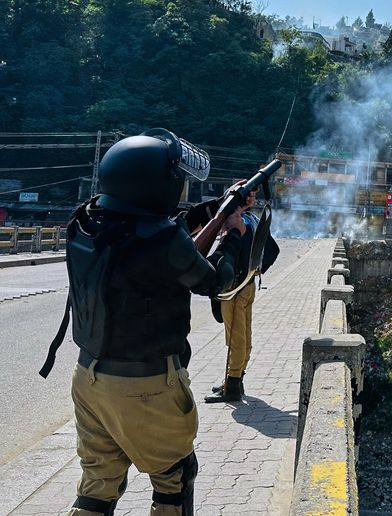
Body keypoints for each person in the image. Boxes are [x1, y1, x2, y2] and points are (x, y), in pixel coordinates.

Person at [40, 128, 246, 515]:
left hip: (89, 378)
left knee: (98, 486)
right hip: (146, 385)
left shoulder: (85, 221)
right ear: (158, 186)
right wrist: (232, 234)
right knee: (175, 478)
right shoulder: (161, 240)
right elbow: (215, 281)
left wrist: (218, 208)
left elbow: (157, 231)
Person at [204, 185, 279, 403]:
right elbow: (273, 251)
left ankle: (233, 386)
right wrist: (254, 270)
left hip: (234, 288)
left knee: (235, 338)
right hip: (248, 285)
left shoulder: (235, 221)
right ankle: (236, 379)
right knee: (244, 335)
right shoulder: (253, 220)